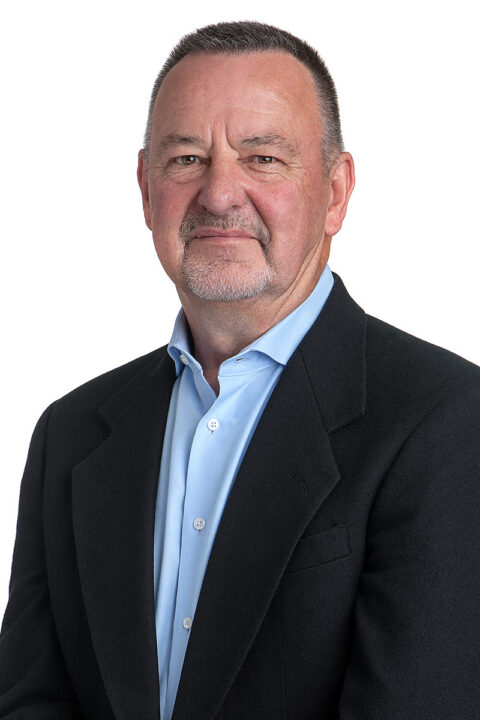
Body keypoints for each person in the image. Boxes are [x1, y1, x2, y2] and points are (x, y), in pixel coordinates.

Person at [0, 20, 479, 720]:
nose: (220, 193)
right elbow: (29, 702)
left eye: (263, 158)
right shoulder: (69, 434)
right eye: (187, 158)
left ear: (336, 192)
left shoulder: (445, 422)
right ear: (146, 189)